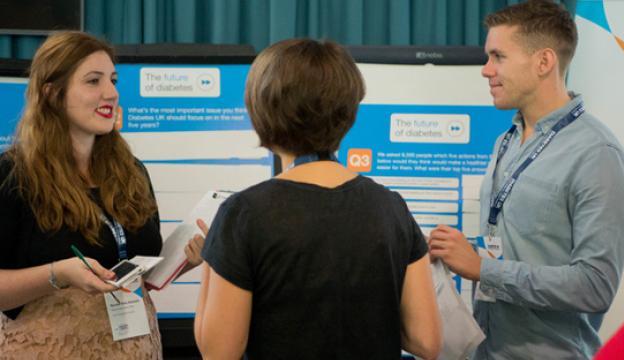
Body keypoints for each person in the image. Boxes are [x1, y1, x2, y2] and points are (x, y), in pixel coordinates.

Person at [193, 38, 441, 360]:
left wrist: (214, 257)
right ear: (348, 109)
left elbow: (219, 352)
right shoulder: (391, 207)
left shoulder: (243, 215)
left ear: (260, 109)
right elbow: (427, 342)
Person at [427, 1, 624, 359]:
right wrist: (466, 256)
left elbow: (595, 286)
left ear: (544, 62)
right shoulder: (506, 140)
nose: (485, 70)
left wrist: (484, 269)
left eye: (498, 56)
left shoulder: (598, 155)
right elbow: (519, 254)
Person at [0, 31, 203, 358]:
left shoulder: (131, 171)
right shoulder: (13, 176)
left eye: (113, 80)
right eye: (93, 81)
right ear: (52, 94)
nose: (111, 93)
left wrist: (184, 260)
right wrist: (58, 274)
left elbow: (137, 271)